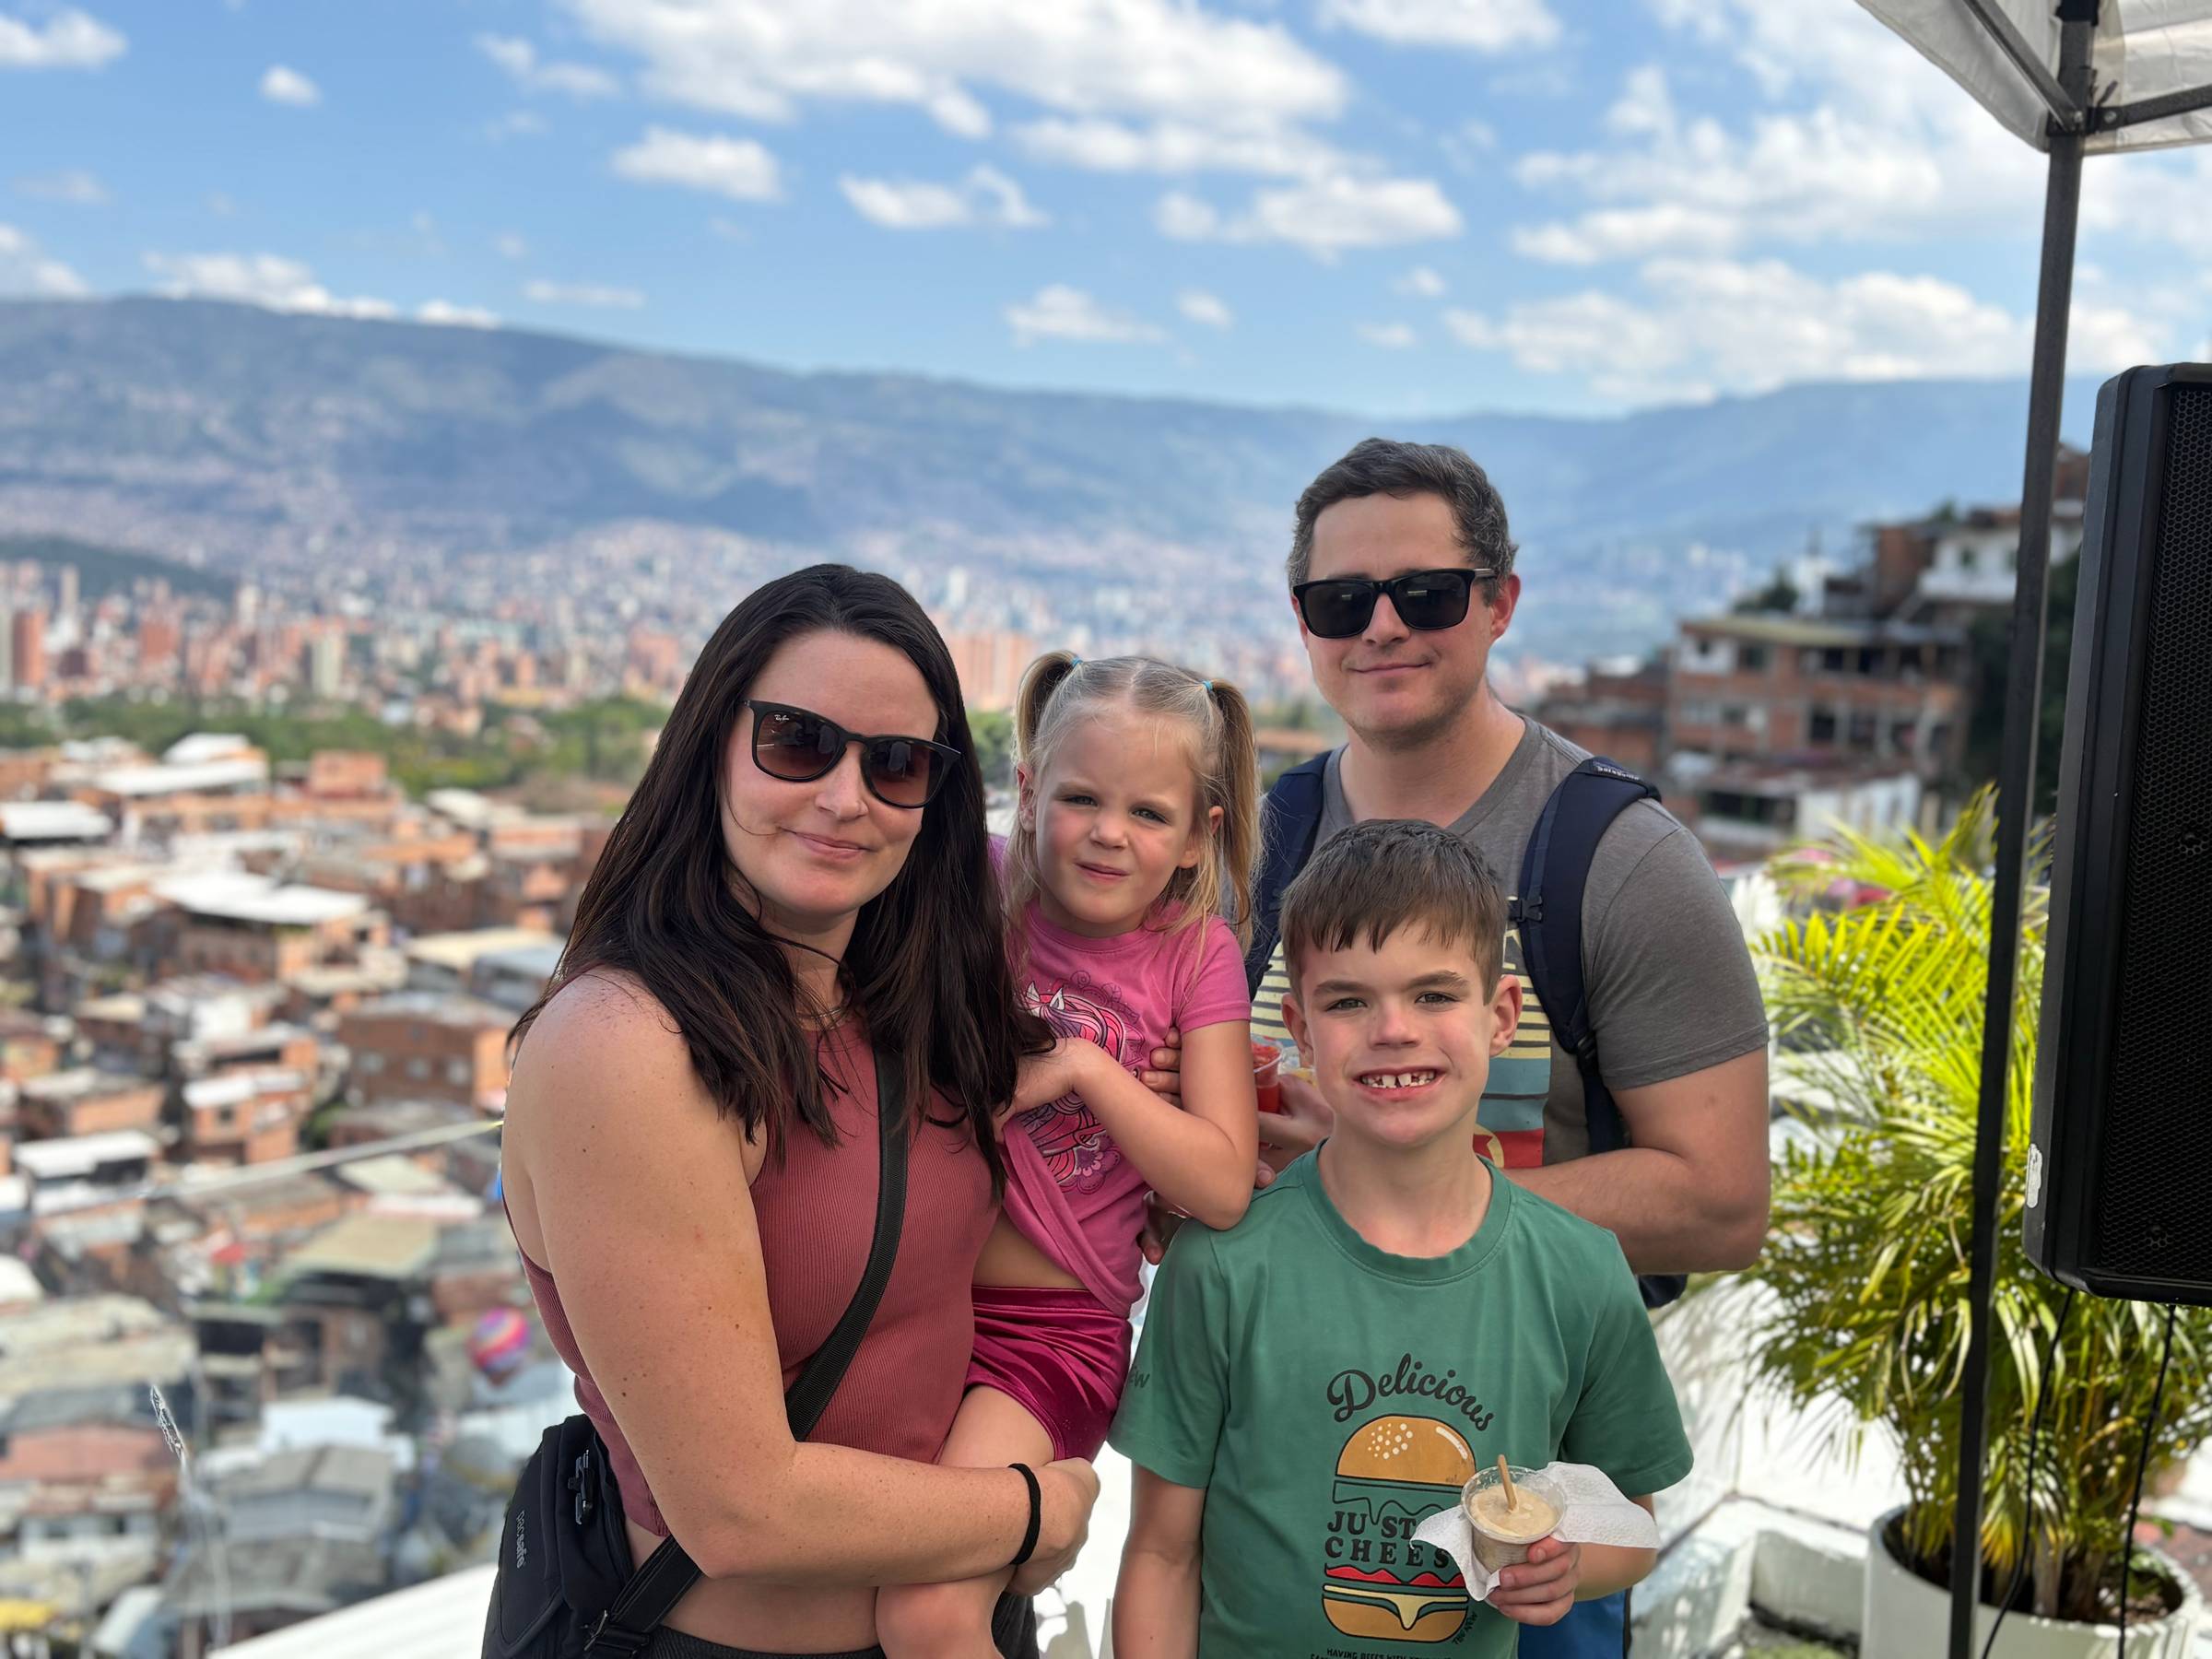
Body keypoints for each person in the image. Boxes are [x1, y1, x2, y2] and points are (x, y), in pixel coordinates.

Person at [1145, 437, 1769, 1654]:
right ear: (1305, 625)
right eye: (1341, 602)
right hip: (1276, 1491)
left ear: (1499, 605)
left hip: (1527, 1516)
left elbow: (1721, 1200)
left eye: (1424, 594)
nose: (1381, 627)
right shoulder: (1259, 845)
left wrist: (1402, 1198)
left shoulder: (1617, 862)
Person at [499, 565, 1101, 1659]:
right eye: (795, 741)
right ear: (712, 745)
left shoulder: (907, 1007)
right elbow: (739, 1508)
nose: (844, 797)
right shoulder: (625, 1047)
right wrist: (1033, 1510)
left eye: (897, 764)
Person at [1112, 818, 1694, 1655]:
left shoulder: (1581, 1272)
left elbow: (1632, 1525)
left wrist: (1567, 1566)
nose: (1393, 1029)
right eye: (1349, 1000)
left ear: (1500, 1016)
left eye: (1434, 994)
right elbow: (1163, 1553)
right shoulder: (1223, 1262)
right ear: (1300, 1030)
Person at [877, 653, 1263, 1659]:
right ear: (1027, 791)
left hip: (1045, 1340)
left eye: (1147, 813)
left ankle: (1054, 1502)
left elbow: (1222, 1184)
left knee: (925, 1614)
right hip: (906, 1302)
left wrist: (1092, 1071)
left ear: (1197, 836)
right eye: (1080, 797)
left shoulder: (1195, 952)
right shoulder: (980, 886)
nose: (1106, 833)